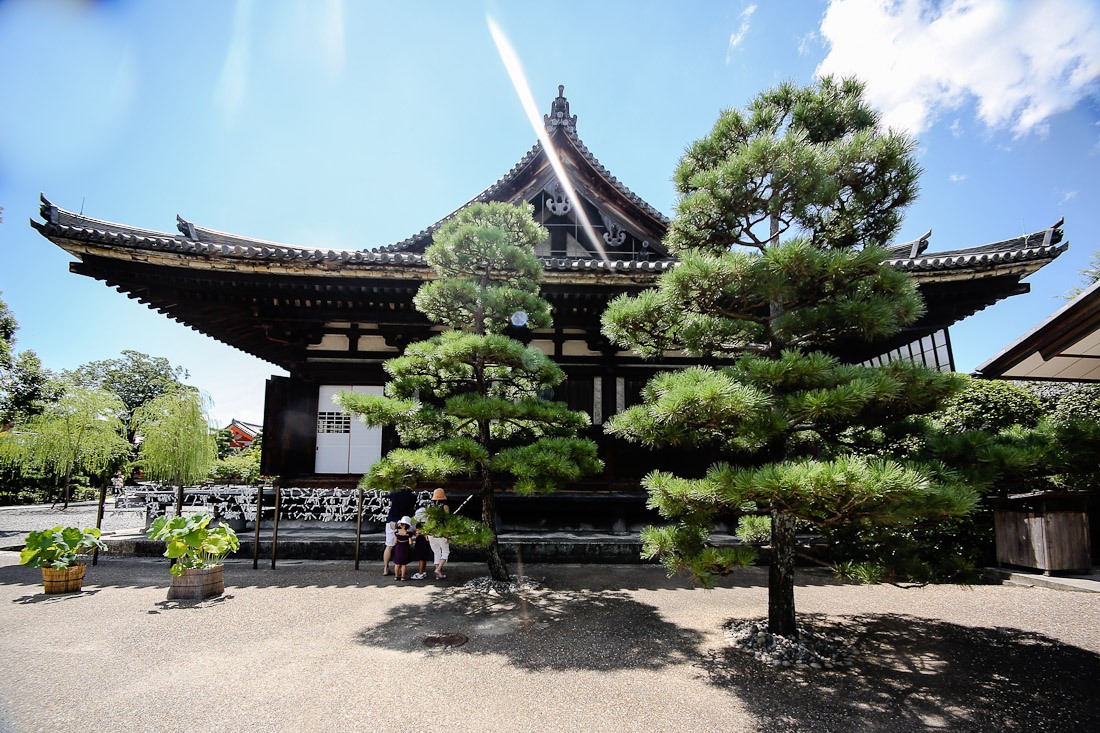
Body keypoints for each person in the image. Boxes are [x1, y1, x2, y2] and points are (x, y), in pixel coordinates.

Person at [381, 487, 415, 576]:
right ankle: (400, 570)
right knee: (403, 545)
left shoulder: (394, 492)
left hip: (392, 520)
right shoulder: (411, 495)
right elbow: (411, 507)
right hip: (405, 522)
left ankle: (386, 568)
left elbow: (390, 504)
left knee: (389, 545)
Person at [426, 488, 451, 579]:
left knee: (436, 552)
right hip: (441, 532)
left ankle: (438, 573)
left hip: (431, 532)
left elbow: (427, 521)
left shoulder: (430, 507)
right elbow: (447, 521)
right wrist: (448, 534)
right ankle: (438, 569)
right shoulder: (445, 507)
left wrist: (426, 533)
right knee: (445, 551)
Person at [410, 510, 432, 580]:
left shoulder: (419, 525)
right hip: (426, 543)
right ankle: (424, 571)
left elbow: (417, 534)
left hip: (420, 542)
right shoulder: (427, 525)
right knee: (424, 558)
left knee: (421, 558)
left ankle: (420, 573)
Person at [391, 516, 414, 581]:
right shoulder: (408, 534)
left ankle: (396, 576)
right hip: (405, 549)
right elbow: (410, 542)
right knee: (403, 564)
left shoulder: (397, 533)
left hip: (398, 548)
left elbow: (395, 541)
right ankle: (403, 576)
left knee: (397, 563)